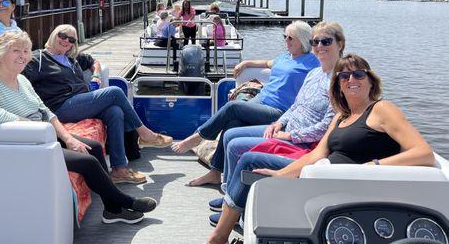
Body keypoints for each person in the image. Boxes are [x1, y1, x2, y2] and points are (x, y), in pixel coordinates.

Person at [205, 53, 435, 244]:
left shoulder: (382, 109)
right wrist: (280, 175)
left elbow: (422, 153)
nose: (351, 79)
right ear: (338, 86)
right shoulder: (341, 116)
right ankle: (232, 225)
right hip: (320, 175)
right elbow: (317, 154)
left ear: (371, 80)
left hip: (347, 186)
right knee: (251, 160)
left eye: (358, 74)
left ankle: (219, 236)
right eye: (344, 76)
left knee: (249, 161)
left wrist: (370, 167)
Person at [0, 31, 157, 224]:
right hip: (24, 144)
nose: (23, 56)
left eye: (26, 50)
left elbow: (46, 111)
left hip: (42, 134)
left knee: (92, 147)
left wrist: (68, 138)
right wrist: (27, 124)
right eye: (16, 50)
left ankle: (112, 210)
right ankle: (124, 201)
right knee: (88, 162)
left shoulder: (22, 80)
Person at [206, 21, 345, 233]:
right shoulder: (314, 74)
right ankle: (231, 198)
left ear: (340, 44)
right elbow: (295, 106)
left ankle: (237, 210)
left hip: (302, 142)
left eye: (326, 41)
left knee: (236, 146)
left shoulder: (340, 80)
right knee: (232, 134)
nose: (319, 46)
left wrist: (289, 134)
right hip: (286, 128)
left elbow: (326, 126)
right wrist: (278, 122)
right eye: (316, 42)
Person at [172, 21, 319, 186]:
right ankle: (215, 173)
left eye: (290, 38)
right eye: (285, 36)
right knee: (232, 122)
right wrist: (246, 63)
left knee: (233, 107)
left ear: (303, 40)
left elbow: (330, 72)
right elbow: (266, 63)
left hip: (277, 111)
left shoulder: (312, 62)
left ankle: (198, 137)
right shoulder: (285, 56)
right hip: (260, 101)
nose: (286, 41)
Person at [22, 24, 173, 184]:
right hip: (60, 106)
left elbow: (95, 61)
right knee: (114, 91)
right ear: (53, 35)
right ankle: (144, 134)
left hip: (81, 102)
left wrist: (96, 76)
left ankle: (119, 170)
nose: (66, 41)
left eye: (71, 39)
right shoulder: (37, 59)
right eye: (62, 36)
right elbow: (18, 79)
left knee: (115, 111)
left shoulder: (72, 58)